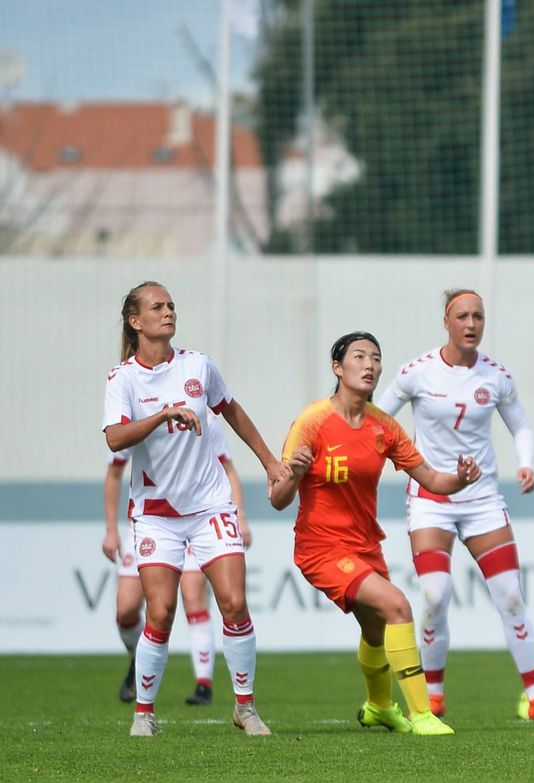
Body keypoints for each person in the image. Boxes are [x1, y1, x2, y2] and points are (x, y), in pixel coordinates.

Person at [269, 331, 481, 737]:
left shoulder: (384, 426)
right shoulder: (312, 421)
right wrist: (294, 475)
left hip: (365, 545)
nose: (370, 365)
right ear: (338, 368)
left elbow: (432, 479)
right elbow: (278, 498)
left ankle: (379, 707)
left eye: (376, 358)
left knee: (375, 630)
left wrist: (461, 478)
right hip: (321, 547)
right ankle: (422, 714)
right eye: (360, 356)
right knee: (398, 605)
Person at [103, 281, 287, 737]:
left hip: (209, 506)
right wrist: (163, 414)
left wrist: (270, 462)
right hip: (155, 515)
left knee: (234, 602)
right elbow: (114, 438)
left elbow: (233, 411)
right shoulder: (122, 379)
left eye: (171, 306)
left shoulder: (198, 366)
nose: (168, 312)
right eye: (157, 307)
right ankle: (144, 714)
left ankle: (245, 707)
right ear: (135, 320)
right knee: (160, 613)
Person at [376, 290, 534, 722]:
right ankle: (436, 695)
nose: (471, 323)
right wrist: (388, 455)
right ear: (446, 320)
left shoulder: (496, 376)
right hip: (430, 497)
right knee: (435, 595)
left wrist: (524, 464)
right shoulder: (416, 372)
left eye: (478, 316)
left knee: (512, 598)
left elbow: (521, 426)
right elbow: (377, 418)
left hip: (482, 501)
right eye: (462, 315)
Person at [103, 410, 251, 706]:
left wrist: (241, 516)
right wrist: (110, 529)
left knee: (195, 597)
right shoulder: (138, 412)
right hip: (152, 520)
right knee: (128, 609)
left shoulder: (203, 414)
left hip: (199, 518)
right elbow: (115, 473)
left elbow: (228, 467)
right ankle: (137, 659)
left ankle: (204, 685)